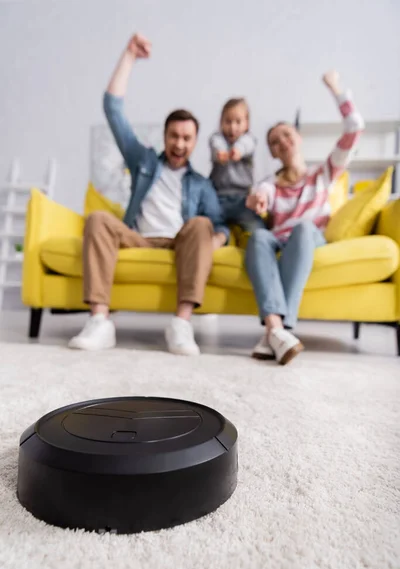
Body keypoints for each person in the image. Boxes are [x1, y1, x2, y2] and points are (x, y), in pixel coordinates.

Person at [68, 33, 229, 355]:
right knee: (99, 218)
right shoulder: (142, 161)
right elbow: (112, 109)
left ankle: (181, 325)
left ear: (195, 141)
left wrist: (213, 241)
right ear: (165, 136)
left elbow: (220, 225)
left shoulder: (201, 184)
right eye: (174, 136)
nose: (180, 144)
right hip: (137, 236)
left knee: (200, 223)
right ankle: (100, 322)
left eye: (187, 138)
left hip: (178, 241)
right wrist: (129, 56)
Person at [245, 70, 365, 365]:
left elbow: (354, 127)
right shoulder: (269, 183)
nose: (282, 142)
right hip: (279, 240)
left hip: (307, 237)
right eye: (275, 141)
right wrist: (257, 199)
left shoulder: (323, 173)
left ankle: (276, 330)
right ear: (272, 152)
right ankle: (277, 330)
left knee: (302, 227)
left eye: (286, 134)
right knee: (259, 236)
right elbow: (260, 196)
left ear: (298, 137)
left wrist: (336, 88)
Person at [209, 98, 264, 232]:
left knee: (258, 229)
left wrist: (238, 150)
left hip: (242, 199)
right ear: (221, 123)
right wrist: (221, 153)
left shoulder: (248, 140)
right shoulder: (217, 139)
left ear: (247, 124)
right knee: (209, 223)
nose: (233, 127)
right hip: (218, 198)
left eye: (238, 122)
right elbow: (216, 144)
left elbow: (246, 145)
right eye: (228, 121)